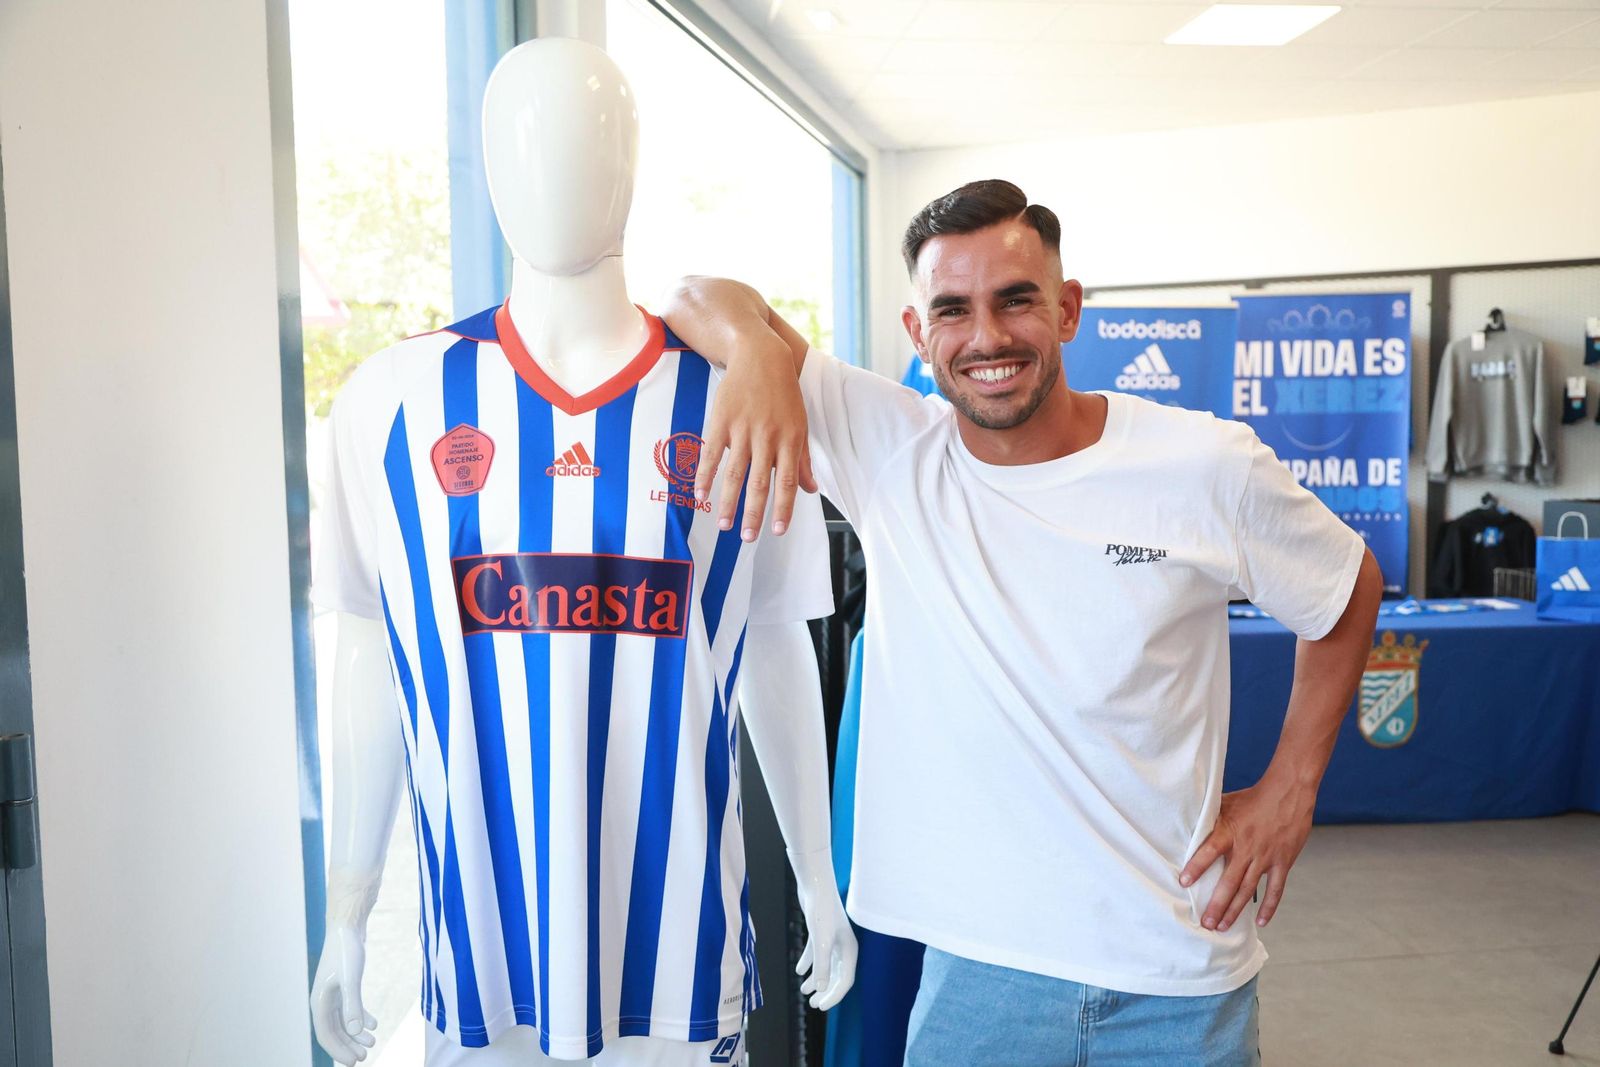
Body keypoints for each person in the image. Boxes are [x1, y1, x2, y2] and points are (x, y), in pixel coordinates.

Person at [661, 179, 1382, 1065]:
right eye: (953, 310)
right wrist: (759, 361)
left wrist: (1290, 791)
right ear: (918, 333)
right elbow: (694, 296)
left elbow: (1347, 588)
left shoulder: (1201, 465)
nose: (988, 337)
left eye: (1016, 301)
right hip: (976, 981)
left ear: (1068, 309)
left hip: (1177, 977)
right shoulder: (893, 454)